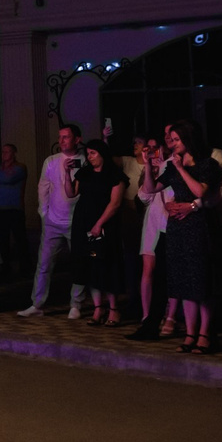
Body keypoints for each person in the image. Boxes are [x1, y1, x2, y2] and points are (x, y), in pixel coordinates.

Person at [151, 122, 221, 353]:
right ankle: (190, 334)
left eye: (176, 139)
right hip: (177, 228)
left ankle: (205, 334)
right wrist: (152, 168)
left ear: (188, 140)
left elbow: (201, 192)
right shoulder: (172, 166)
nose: (172, 143)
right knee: (183, 281)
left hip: (197, 225)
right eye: (170, 139)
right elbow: (152, 189)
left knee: (200, 279)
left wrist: (181, 169)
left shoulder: (207, 164)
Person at [21, 124, 81, 319]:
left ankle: (76, 304)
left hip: (76, 221)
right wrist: (44, 213)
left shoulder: (84, 160)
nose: (62, 140)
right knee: (44, 264)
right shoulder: (51, 161)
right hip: (53, 221)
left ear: (77, 140)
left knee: (78, 263)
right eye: (60, 137)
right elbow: (43, 187)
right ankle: (37, 304)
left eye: (66, 137)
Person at [68, 138, 128, 324]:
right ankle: (97, 308)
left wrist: (99, 223)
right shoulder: (85, 172)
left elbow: (115, 202)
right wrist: (65, 173)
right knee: (89, 265)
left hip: (104, 223)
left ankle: (113, 309)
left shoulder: (114, 174)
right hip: (83, 221)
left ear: (102, 154)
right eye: (88, 154)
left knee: (106, 264)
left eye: (93, 153)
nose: (90, 157)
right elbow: (71, 193)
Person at [128, 134, 172, 341]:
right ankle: (147, 316)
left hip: (168, 222)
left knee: (167, 272)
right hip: (152, 222)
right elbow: (143, 196)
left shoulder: (171, 167)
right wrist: (149, 168)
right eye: (149, 148)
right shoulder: (151, 170)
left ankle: (169, 317)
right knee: (148, 269)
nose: (152, 152)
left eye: (156, 148)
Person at [0, 142, 30, 293]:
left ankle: (25, 267)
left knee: (20, 238)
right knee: (2, 240)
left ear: (14, 153)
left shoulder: (20, 167)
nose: (5, 154)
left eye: (8, 152)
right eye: (3, 151)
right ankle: (5, 266)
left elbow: (8, 178)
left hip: (14, 208)